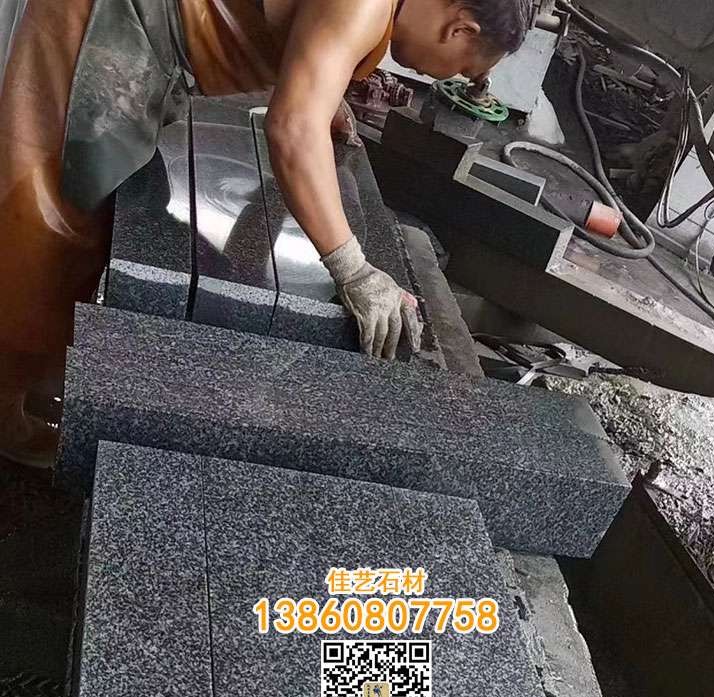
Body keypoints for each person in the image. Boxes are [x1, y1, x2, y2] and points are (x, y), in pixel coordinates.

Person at [0, 0, 532, 467]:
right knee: (52, 222)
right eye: (463, 68)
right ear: (460, 28)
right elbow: (293, 129)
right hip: (105, 20)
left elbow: (295, 28)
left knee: (103, 204)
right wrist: (354, 270)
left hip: (140, 29)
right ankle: (5, 407)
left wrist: (319, 83)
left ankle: (38, 373)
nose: (447, 77)